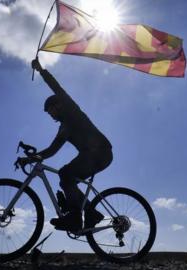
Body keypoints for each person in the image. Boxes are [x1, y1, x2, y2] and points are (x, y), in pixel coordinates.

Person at [31, 58, 113, 232]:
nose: (50, 115)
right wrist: (33, 157)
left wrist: (41, 70)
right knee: (66, 177)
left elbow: (56, 87)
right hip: (92, 155)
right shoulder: (64, 128)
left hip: (101, 152)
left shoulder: (71, 111)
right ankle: (91, 213)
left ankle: (75, 219)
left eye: (51, 110)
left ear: (58, 105)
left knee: (66, 174)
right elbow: (52, 150)